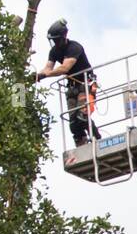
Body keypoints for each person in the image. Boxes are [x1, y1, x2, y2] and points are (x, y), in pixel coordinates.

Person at [34, 18, 100, 146]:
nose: (55, 42)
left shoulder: (74, 47)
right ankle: (81, 144)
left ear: (63, 37)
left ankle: (97, 138)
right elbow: (48, 68)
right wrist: (39, 75)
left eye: (56, 39)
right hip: (71, 87)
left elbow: (65, 68)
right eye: (53, 40)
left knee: (82, 116)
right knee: (73, 124)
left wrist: (46, 75)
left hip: (85, 84)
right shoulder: (54, 52)